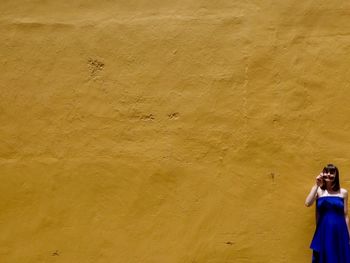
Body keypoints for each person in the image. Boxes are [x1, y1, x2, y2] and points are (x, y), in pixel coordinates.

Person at [305, 164, 350, 262]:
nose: (328, 174)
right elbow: (308, 203)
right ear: (322, 174)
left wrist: (348, 235)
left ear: (336, 175)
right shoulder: (319, 191)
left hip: (340, 231)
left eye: (332, 172)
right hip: (323, 231)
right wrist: (316, 185)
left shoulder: (343, 192)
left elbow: (346, 215)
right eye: (326, 172)